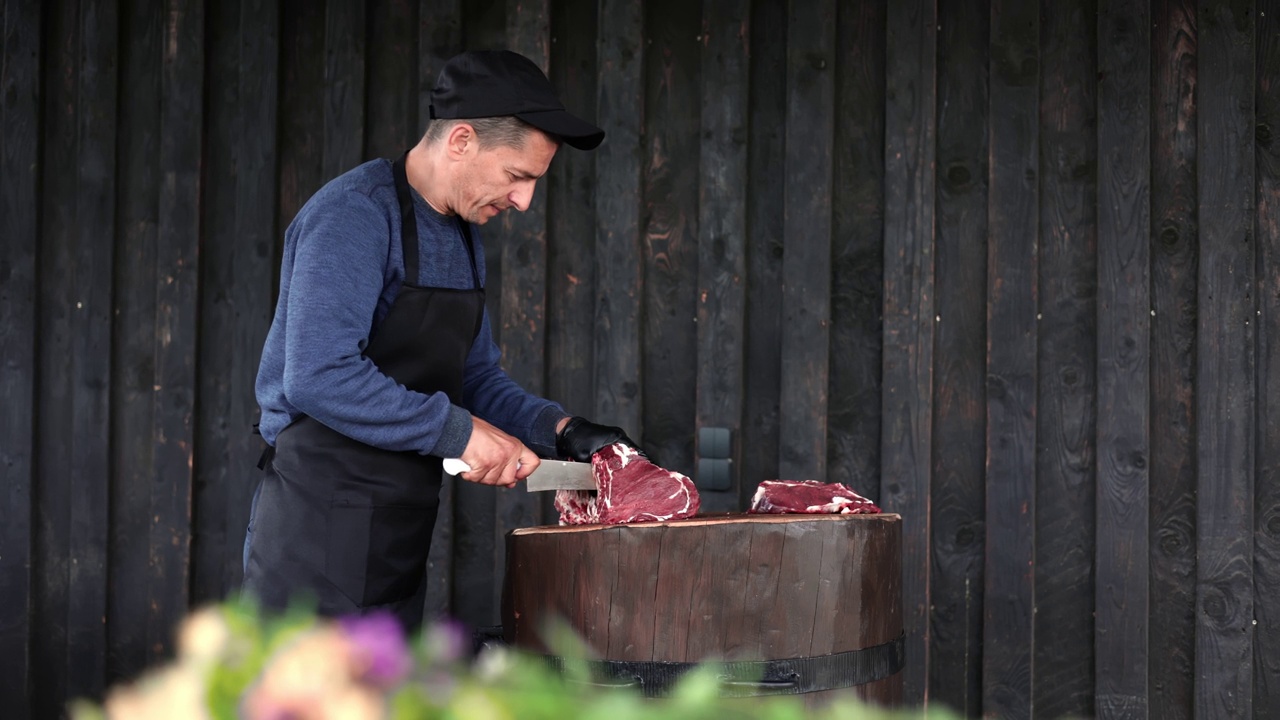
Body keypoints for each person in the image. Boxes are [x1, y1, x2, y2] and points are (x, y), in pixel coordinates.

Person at [241, 50, 640, 631]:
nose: (524, 201)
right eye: (516, 175)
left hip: (396, 535)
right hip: (314, 531)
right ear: (460, 141)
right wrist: (458, 433)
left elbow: (472, 378)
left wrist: (559, 429)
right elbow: (319, 375)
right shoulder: (354, 216)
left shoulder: (460, 232)